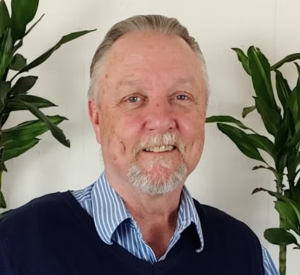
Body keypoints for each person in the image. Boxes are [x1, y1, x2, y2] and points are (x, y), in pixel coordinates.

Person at [0, 15, 278, 275]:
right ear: (97, 119)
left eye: (181, 96)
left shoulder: (246, 255)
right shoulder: (15, 246)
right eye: (133, 98)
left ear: (203, 111)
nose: (160, 120)